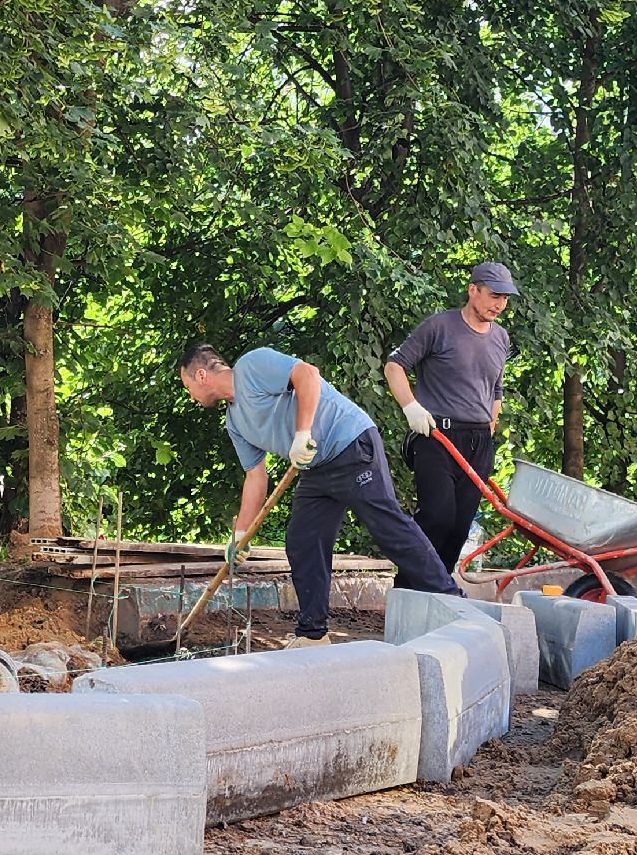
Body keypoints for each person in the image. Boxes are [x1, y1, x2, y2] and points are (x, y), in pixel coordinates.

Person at [176, 343, 463, 648]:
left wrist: (302, 433)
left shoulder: (251, 366)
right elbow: (255, 477)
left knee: (388, 527)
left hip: (350, 443)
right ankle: (313, 634)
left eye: (188, 386)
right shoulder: (236, 423)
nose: (190, 395)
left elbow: (307, 375)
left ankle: (456, 604)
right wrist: (240, 533)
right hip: (317, 468)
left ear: (202, 375)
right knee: (303, 540)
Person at [385, 261, 517, 572]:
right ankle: (409, 589)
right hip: (436, 436)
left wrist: (490, 427)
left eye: (505, 298)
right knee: (438, 517)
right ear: (473, 291)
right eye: (494, 295)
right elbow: (394, 366)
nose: (499, 304)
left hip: (478, 442)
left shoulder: (501, 338)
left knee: (459, 527)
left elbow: (496, 389)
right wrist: (410, 407)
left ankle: (439, 593)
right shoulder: (439, 327)